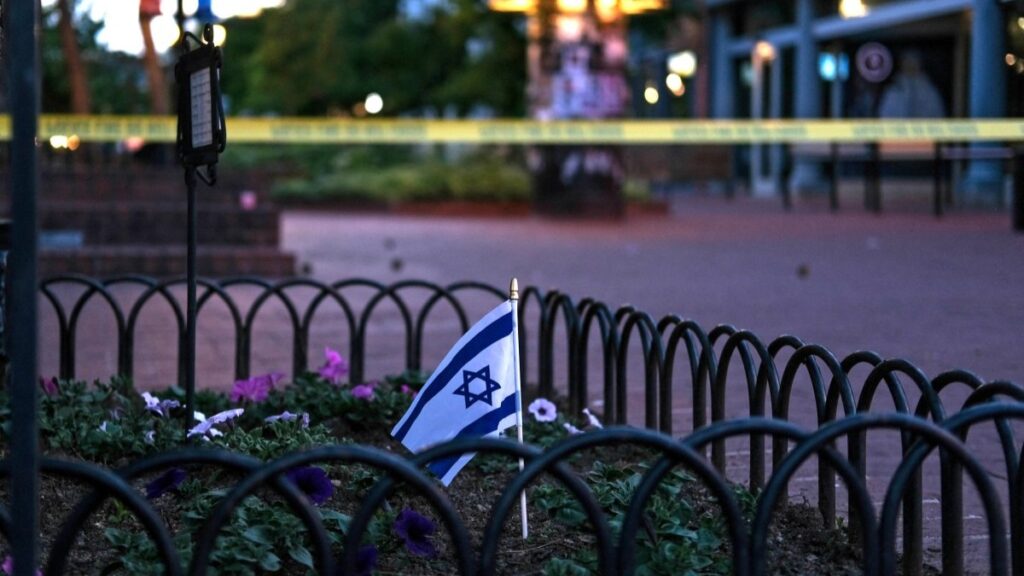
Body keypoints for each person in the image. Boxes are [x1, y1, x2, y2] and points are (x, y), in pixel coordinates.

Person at [878, 51, 946, 118]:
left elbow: (938, 114)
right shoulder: (894, 90)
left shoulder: (929, 91)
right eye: (907, 63)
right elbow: (884, 115)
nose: (910, 67)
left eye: (913, 63)